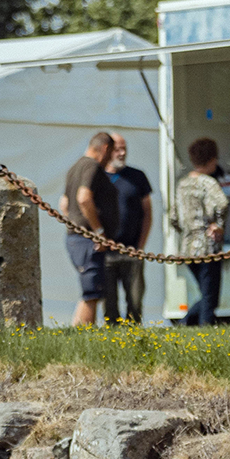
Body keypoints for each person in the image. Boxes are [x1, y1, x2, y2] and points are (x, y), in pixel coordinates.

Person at [59, 131, 116, 327]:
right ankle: (85, 336)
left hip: (77, 237)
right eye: (112, 152)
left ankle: (78, 332)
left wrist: (74, 224)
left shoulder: (75, 167)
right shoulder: (91, 166)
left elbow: (64, 204)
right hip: (87, 240)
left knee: (91, 290)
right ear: (105, 149)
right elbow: (83, 198)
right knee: (92, 292)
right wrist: (98, 232)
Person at [174, 138, 229, 326]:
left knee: (207, 295)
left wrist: (187, 231)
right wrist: (218, 225)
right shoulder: (208, 182)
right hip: (207, 247)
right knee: (210, 297)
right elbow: (222, 203)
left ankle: (187, 324)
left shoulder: (182, 184)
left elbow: (174, 217)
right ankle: (199, 328)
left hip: (187, 248)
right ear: (211, 160)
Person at [103, 134, 155, 324]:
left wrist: (140, 247)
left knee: (135, 302)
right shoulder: (97, 176)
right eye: (117, 149)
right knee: (109, 303)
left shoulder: (137, 176)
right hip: (106, 253)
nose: (122, 153)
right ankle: (113, 339)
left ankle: (134, 337)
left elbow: (148, 213)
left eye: (124, 148)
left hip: (132, 250)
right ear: (107, 150)